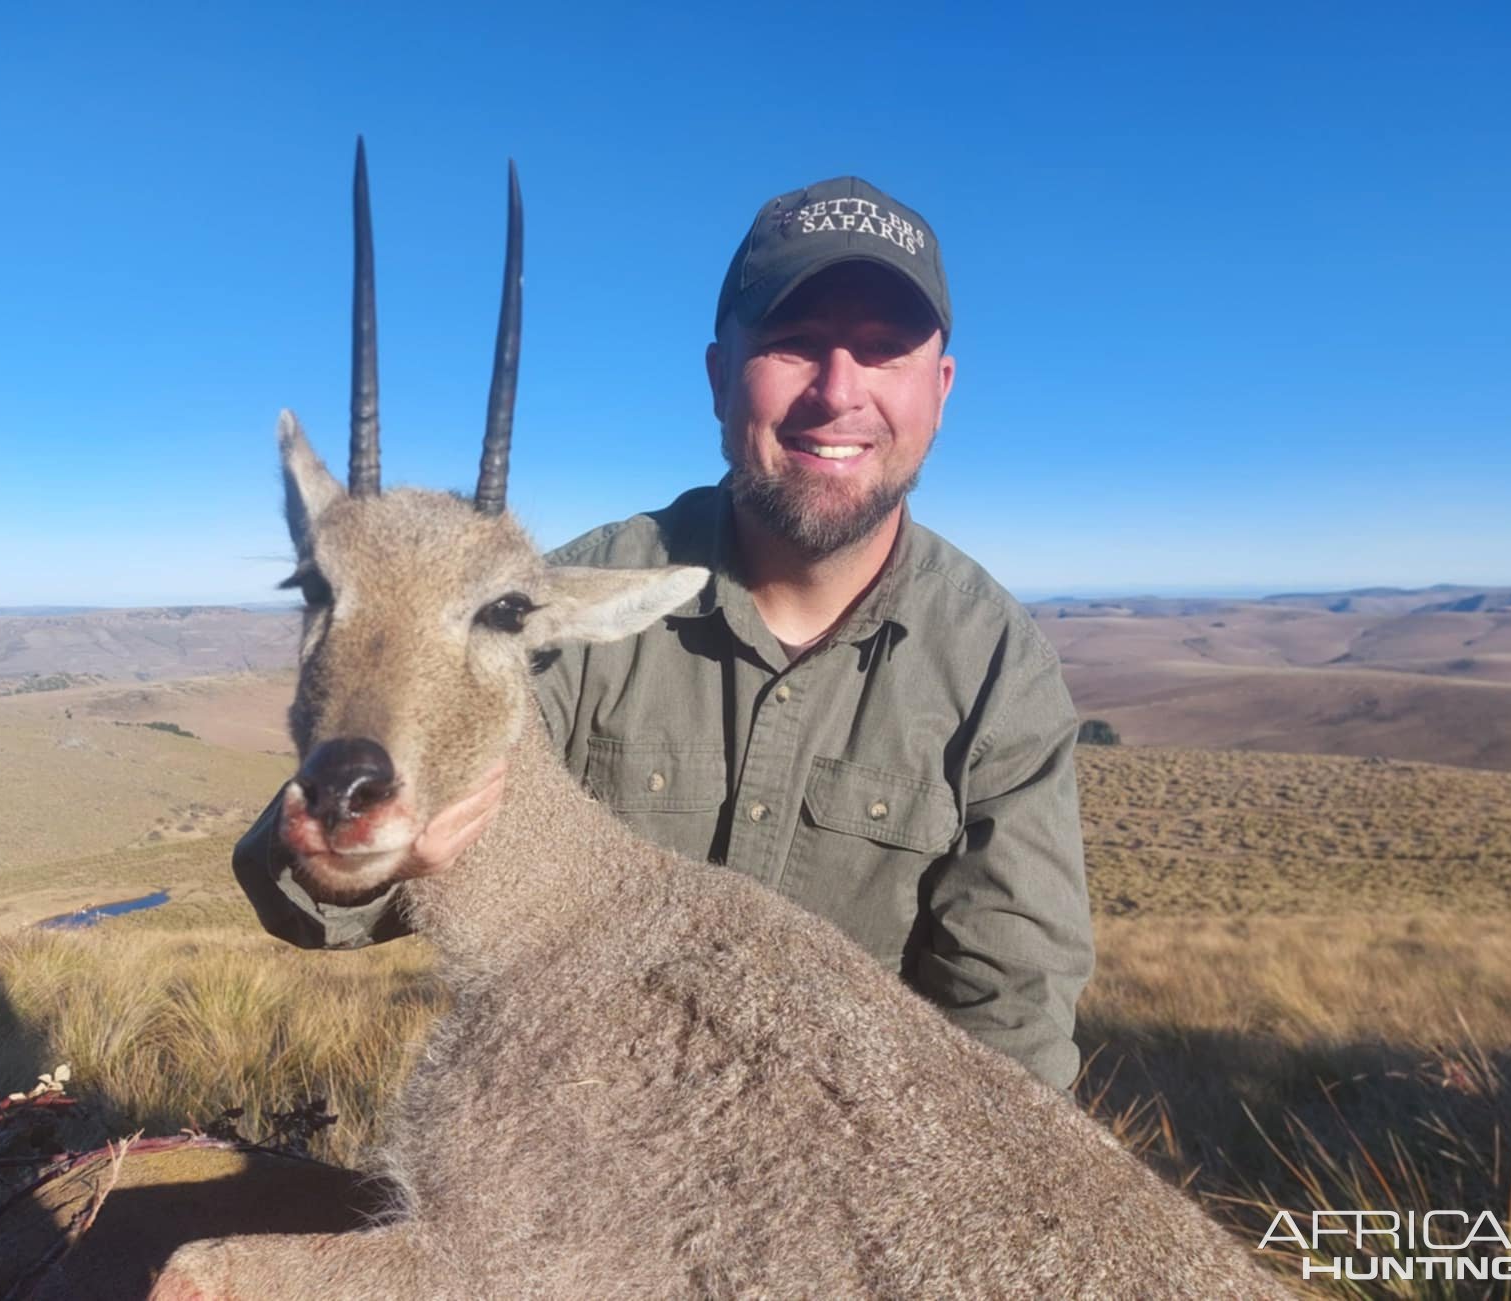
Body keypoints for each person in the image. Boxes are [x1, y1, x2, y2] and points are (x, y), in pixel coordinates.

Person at [234, 176, 1095, 1093]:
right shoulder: (534, 599)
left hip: (853, 1168)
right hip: (575, 1119)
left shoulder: (1000, 670)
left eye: (883, 352)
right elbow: (312, 869)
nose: (838, 393)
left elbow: (1014, 1033)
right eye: (795, 345)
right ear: (723, 375)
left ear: (942, 388)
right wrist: (365, 851)